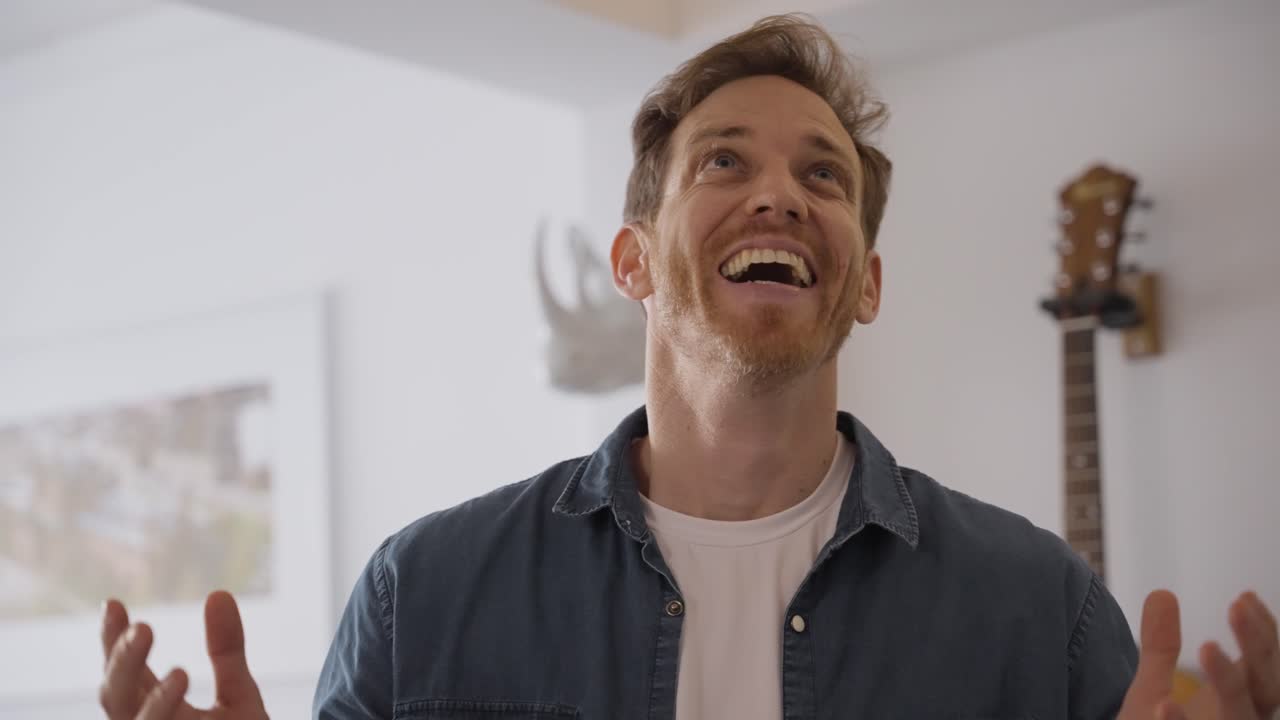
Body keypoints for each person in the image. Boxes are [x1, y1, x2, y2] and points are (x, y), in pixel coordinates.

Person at [97, 14, 1279, 720]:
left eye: (824, 176)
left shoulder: (1042, 614)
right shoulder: (425, 596)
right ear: (632, 260)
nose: (779, 191)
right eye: (723, 162)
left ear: (864, 282)